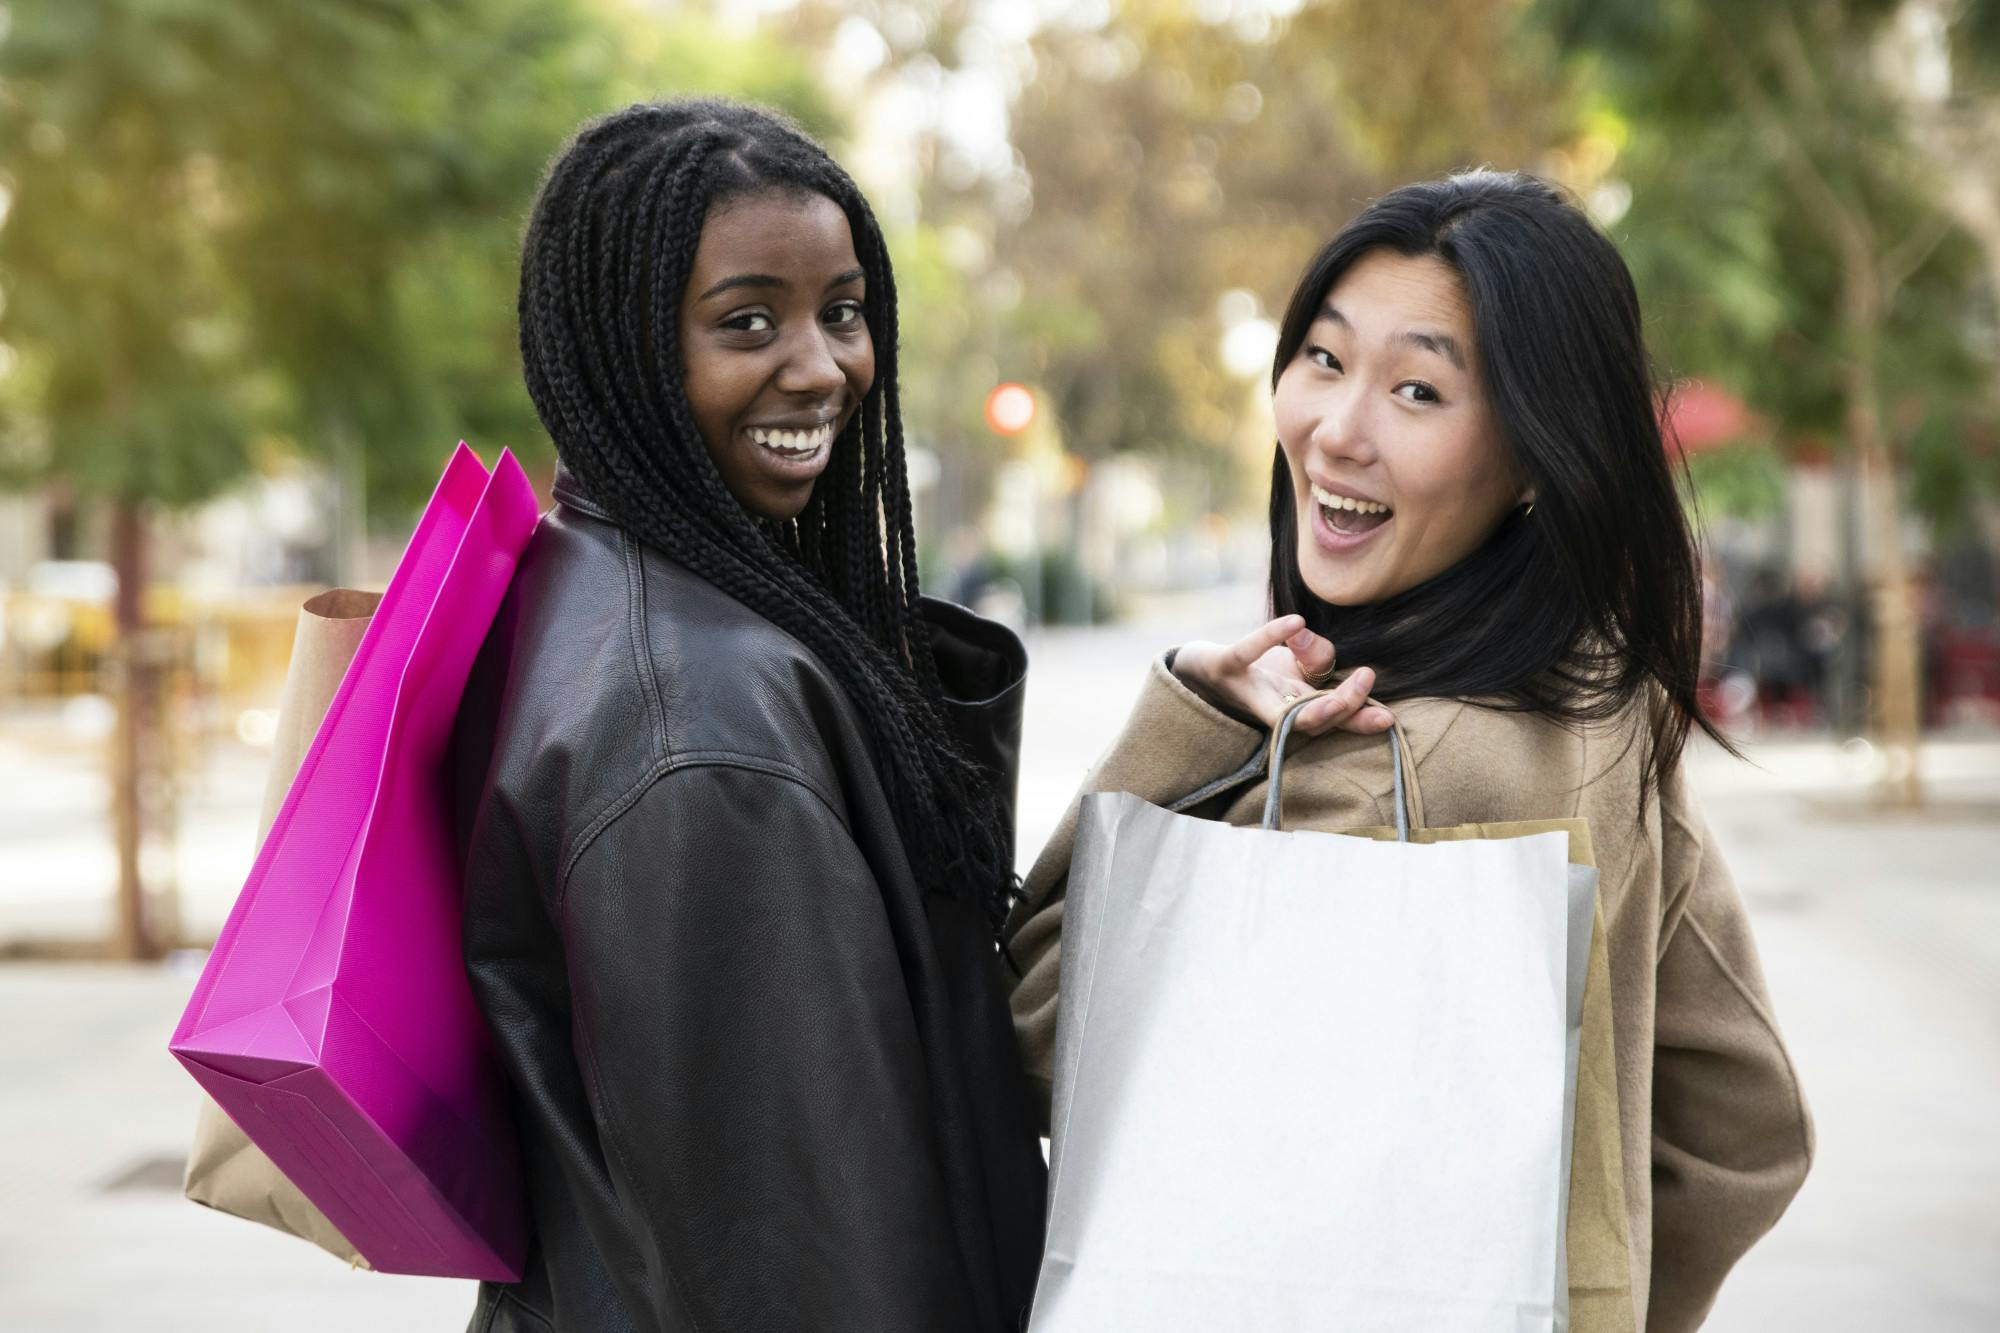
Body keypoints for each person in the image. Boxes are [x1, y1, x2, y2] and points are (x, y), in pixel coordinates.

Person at [1004, 171, 1813, 1332]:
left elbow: (1039, 1036)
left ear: (1536, 454)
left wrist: (1187, 719)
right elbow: (1748, 1125)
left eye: (1417, 390)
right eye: (1324, 360)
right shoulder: (1605, 710)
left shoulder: (1374, 766)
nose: (1337, 430)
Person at [452, 99, 1046, 1333]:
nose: (823, 366)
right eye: (746, 322)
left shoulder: (611, 585)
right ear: (624, 348)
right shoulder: (701, 728)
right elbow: (810, 1264)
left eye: (841, 310)